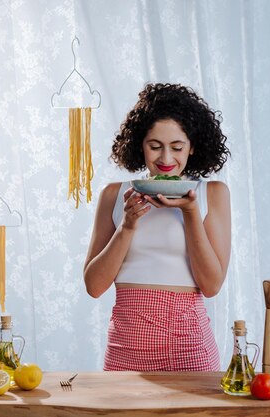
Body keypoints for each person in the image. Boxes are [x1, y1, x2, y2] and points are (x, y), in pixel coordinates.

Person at [84, 83, 231, 371]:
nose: (165, 159)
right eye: (155, 146)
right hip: (126, 348)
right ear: (140, 145)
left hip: (190, 349)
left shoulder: (212, 193)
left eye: (177, 147)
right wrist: (127, 226)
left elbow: (212, 285)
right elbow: (94, 286)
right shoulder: (115, 195)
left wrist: (190, 211)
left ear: (193, 147)